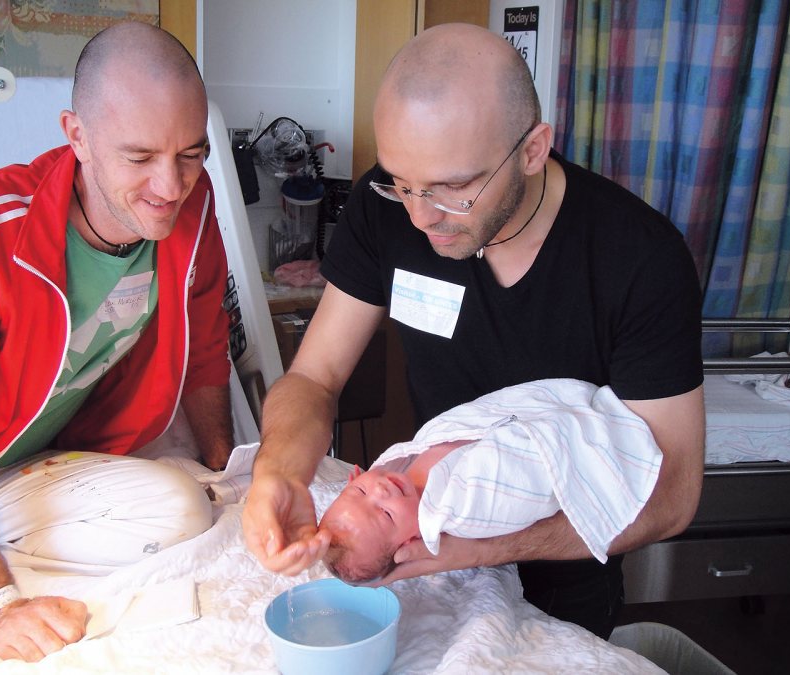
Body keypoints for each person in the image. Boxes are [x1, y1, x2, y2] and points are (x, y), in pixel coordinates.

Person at [242, 22, 705, 639]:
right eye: (401, 182)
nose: (421, 216)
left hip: (562, 592)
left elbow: (672, 496)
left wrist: (470, 547)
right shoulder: (386, 214)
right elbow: (316, 376)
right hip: (425, 577)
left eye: (454, 188)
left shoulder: (637, 258)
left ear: (533, 149)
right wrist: (279, 468)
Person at [0, 22, 233, 662]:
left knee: (187, 508)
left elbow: (205, 349)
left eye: (191, 154)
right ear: (77, 137)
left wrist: (232, 477)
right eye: (140, 158)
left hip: (27, 466)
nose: (170, 187)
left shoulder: (192, 209)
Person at [320, 380, 663, 583]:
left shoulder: (406, 463)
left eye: (361, 490)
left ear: (354, 475)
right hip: (580, 436)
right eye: (385, 514)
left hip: (558, 402)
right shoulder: (463, 508)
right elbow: (523, 478)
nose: (379, 491)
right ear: (411, 544)